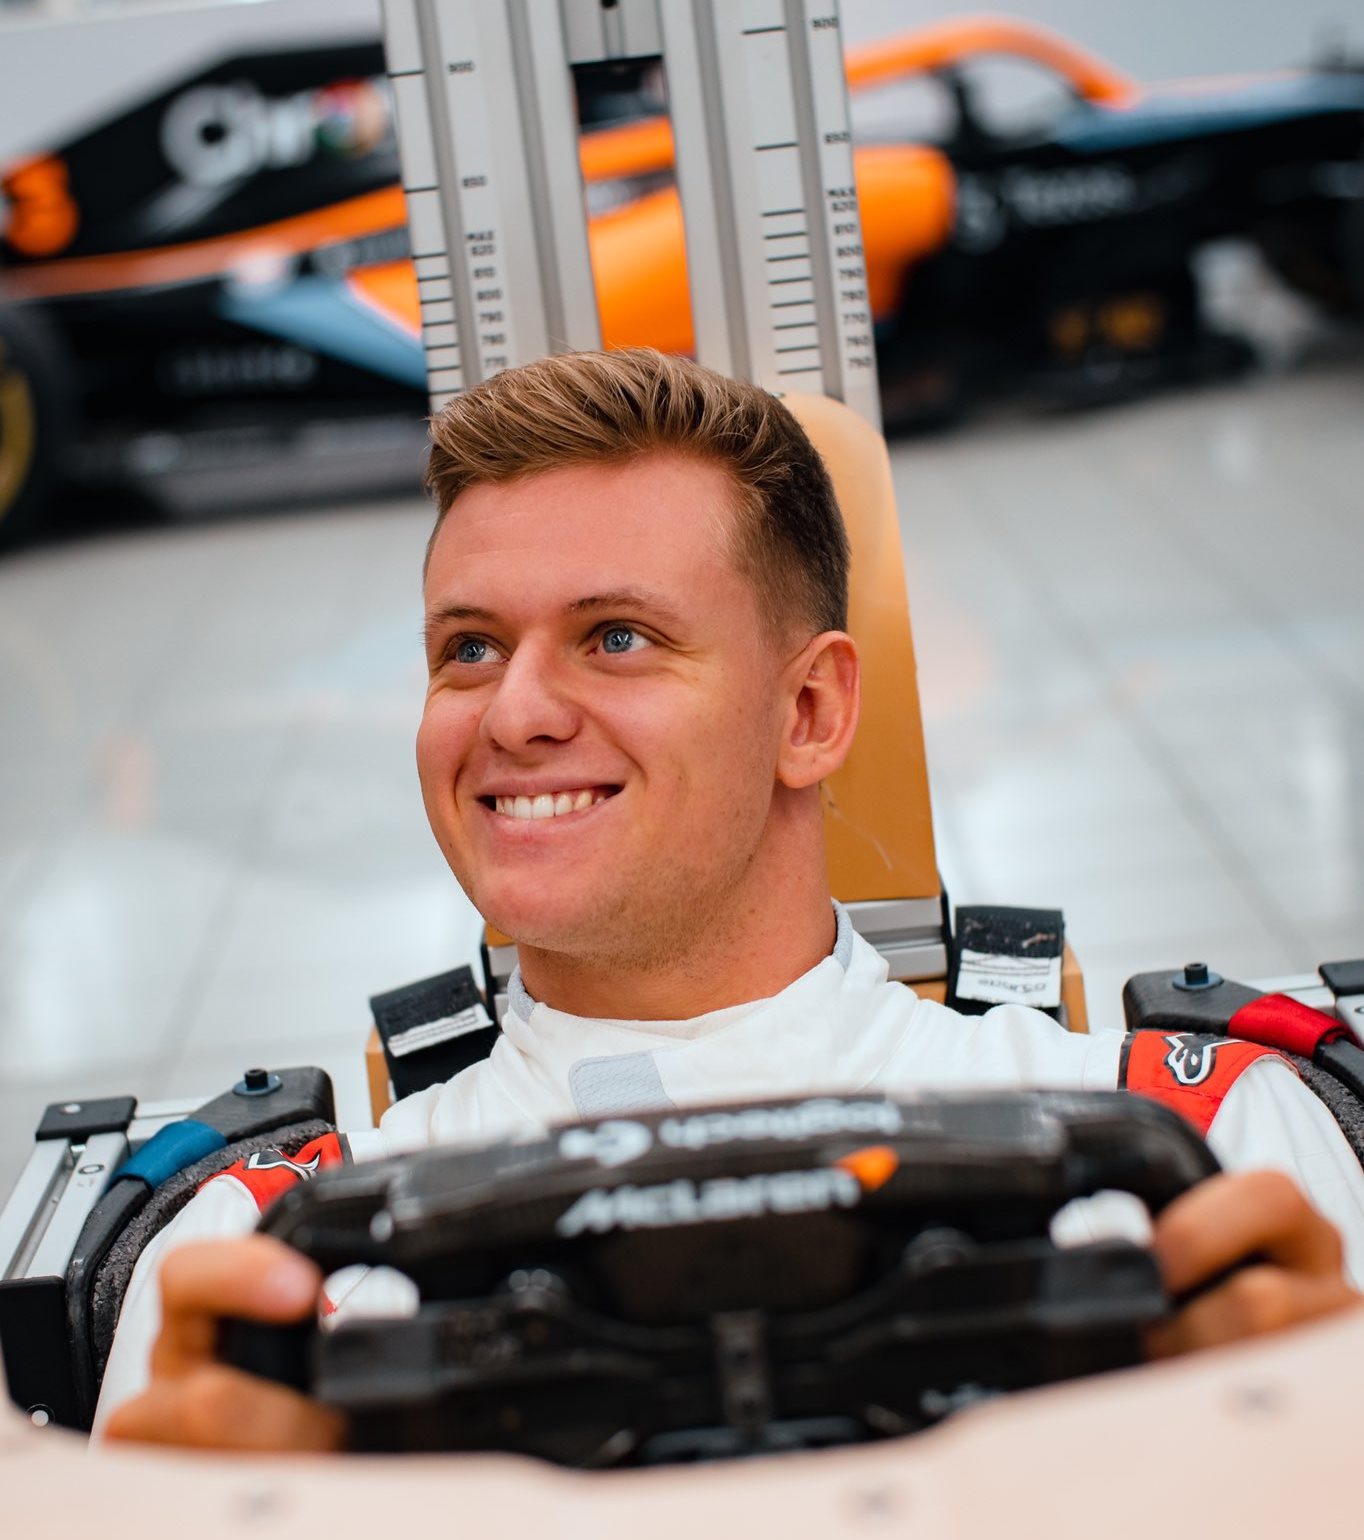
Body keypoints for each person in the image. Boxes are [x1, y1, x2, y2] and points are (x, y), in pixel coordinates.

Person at [99, 349, 1364, 1452]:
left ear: (808, 712)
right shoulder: (261, 1282)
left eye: (616, 638)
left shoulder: (1206, 1165)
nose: (514, 713)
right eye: (468, 648)